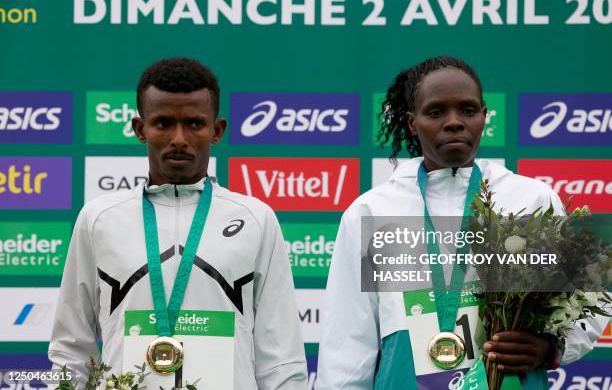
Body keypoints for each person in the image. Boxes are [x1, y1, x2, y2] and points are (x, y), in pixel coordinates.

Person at [316, 56, 607, 389]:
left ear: (484, 116)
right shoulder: (371, 211)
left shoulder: (531, 200)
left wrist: (551, 349)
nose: (454, 122)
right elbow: (348, 341)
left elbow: (588, 301)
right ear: (413, 122)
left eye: (468, 110)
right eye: (436, 112)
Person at [49, 58, 307, 389]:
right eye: (164, 123)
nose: (179, 138)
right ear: (140, 129)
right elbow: (71, 346)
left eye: (195, 124)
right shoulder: (99, 218)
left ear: (217, 130)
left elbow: (282, 357)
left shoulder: (255, 219)